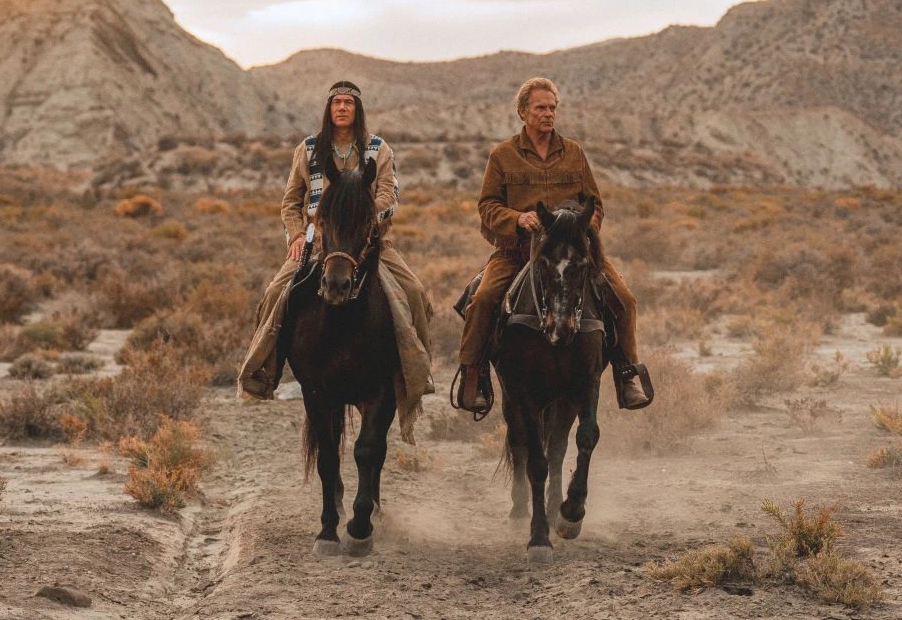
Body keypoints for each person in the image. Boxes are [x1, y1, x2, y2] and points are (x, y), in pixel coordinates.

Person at [454, 77, 650, 414]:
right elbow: (487, 207)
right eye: (541, 108)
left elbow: (595, 204)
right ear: (523, 112)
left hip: (572, 252)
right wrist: (517, 218)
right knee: (483, 300)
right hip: (518, 252)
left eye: (552, 108)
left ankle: (626, 372)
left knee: (625, 300)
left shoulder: (573, 152)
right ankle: (475, 374)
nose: (548, 114)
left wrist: (583, 229)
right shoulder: (502, 156)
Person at [237, 80, 433, 400]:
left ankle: (417, 372)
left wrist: (366, 218)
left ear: (358, 110)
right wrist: (298, 235)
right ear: (329, 109)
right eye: (336, 102)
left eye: (348, 103)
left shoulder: (378, 149)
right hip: (317, 240)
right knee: (275, 292)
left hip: (365, 240)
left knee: (414, 291)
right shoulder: (308, 149)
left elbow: (389, 196)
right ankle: (264, 370)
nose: (342, 107)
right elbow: (291, 201)